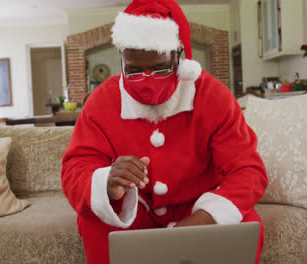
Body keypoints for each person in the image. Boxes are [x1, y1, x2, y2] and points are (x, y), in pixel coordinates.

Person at [61, 0, 268, 263]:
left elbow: (248, 171)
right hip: (136, 210)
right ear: (122, 60)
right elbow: (75, 167)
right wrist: (107, 182)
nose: (147, 83)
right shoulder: (102, 100)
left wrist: (204, 219)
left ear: (179, 56)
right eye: (133, 70)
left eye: (160, 69)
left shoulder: (213, 95)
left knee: (247, 224)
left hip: (198, 206)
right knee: (92, 222)